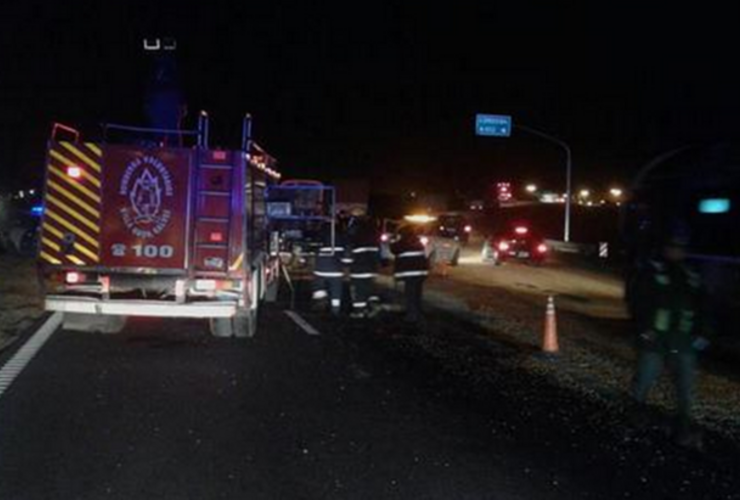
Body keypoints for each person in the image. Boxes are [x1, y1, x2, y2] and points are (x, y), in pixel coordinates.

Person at [629, 232, 709, 449]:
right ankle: (636, 411)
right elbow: (637, 299)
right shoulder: (652, 270)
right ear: (665, 248)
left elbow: (703, 305)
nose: (676, 250)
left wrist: (703, 333)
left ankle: (683, 424)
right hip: (655, 337)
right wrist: (644, 328)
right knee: (645, 377)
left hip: (683, 340)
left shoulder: (690, 274)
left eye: (680, 247)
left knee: (685, 384)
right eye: (672, 246)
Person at [391, 226, 429, 322]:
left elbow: (393, 249)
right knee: (417, 294)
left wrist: (393, 240)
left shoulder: (402, 242)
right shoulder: (417, 242)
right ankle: (418, 314)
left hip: (410, 274)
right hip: (421, 273)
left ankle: (411, 316)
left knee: (410, 295)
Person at [346, 217, 381, 318]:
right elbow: (379, 253)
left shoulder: (354, 235)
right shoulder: (373, 234)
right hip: (371, 268)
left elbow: (349, 251)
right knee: (369, 287)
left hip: (359, 268)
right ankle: (371, 308)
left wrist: (346, 264)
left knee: (359, 290)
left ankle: (359, 311)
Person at [312, 225, 346, 316]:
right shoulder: (342, 240)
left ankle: (320, 302)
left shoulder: (321, 238)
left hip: (320, 270)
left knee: (318, 285)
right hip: (336, 271)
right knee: (336, 291)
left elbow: (314, 250)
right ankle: (335, 310)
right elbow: (346, 257)